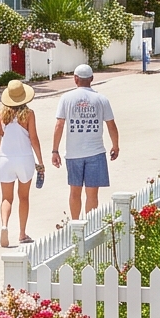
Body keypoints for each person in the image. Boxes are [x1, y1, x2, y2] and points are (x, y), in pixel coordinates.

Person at [49, 65, 119, 222]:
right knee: (92, 193)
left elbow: (59, 125)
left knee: (75, 191)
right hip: (96, 152)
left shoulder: (66, 98)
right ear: (92, 79)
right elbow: (111, 125)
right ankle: (90, 225)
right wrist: (115, 145)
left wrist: (55, 150)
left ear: (75, 79)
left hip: (73, 153)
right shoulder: (101, 99)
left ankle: (75, 224)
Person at [0, 80, 45, 248]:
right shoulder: (29, 114)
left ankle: (4, 225)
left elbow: (1, 135)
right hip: (25, 158)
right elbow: (33, 138)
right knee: (24, 197)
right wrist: (40, 162)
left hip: (6, 159)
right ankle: (22, 233)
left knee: (6, 198)